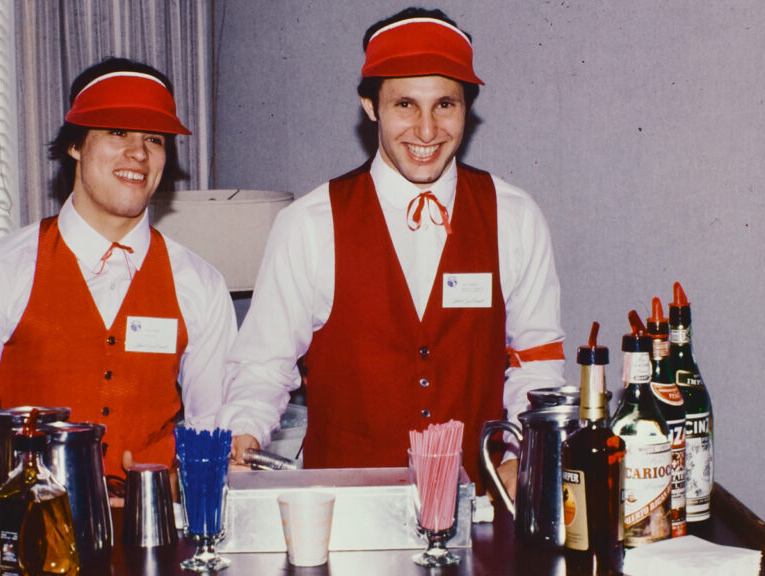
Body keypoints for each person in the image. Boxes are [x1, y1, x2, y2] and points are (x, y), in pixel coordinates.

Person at [216, 8, 565, 497]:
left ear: (468, 108)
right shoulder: (310, 224)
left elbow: (537, 359)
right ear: (370, 105)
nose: (426, 131)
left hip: (476, 509)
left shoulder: (515, 216)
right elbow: (263, 365)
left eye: (445, 105)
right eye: (405, 104)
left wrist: (526, 449)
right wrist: (243, 431)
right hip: (343, 510)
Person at [0, 57, 237, 476]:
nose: (138, 152)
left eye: (154, 139)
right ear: (75, 145)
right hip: (32, 526)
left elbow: (213, 426)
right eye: (117, 132)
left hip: (154, 525)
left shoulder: (200, 283)